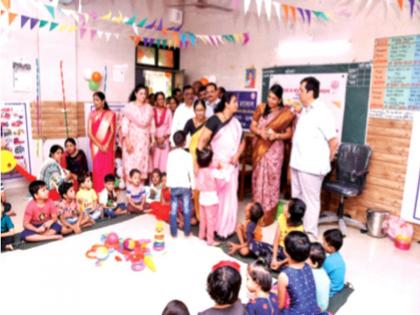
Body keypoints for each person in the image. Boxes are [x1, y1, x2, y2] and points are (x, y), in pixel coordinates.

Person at [290, 77, 338, 240]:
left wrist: (326, 161)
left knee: (310, 201)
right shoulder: (305, 110)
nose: (298, 93)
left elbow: (333, 141)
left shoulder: (322, 112)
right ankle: (296, 230)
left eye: (301, 90)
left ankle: (309, 235)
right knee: (297, 199)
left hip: (311, 166)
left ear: (310, 92)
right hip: (298, 163)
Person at [198, 93, 245, 239]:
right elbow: (201, 143)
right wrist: (207, 163)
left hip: (232, 166)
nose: (237, 105)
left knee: (230, 197)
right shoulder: (214, 120)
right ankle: (214, 227)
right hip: (217, 166)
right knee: (215, 198)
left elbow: (243, 142)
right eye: (234, 102)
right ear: (226, 104)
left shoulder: (236, 123)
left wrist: (237, 155)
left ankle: (226, 228)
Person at [250, 84, 295, 225]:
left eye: (274, 99)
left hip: (274, 151)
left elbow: (289, 133)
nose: (270, 101)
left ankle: (268, 216)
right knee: (258, 180)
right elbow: (252, 125)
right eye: (269, 97)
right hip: (259, 149)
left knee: (272, 182)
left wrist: (276, 135)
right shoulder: (261, 108)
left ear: (280, 100)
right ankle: (256, 212)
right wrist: (259, 132)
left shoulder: (285, 114)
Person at [277, 231, 320, 315]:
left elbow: (280, 305)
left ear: (285, 251)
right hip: (315, 311)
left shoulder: (284, 275)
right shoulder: (308, 266)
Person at [122, 84, 155, 181]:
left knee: (142, 163)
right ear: (136, 94)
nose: (143, 96)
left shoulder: (149, 108)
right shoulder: (129, 107)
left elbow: (152, 124)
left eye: (145, 94)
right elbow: (125, 125)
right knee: (131, 162)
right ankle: (131, 188)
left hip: (144, 141)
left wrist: (152, 139)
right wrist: (127, 141)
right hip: (132, 140)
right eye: (141, 93)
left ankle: (140, 188)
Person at [167, 131, 195, 237]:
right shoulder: (188, 155)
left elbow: (169, 171)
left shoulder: (170, 155)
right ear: (184, 143)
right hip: (185, 186)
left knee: (173, 209)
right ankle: (187, 232)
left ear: (174, 142)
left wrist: (169, 185)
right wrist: (193, 187)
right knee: (186, 209)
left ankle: (173, 233)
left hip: (174, 185)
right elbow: (190, 173)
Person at [196, 148, 225, 246]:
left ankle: (201, 235)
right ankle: (210, 240)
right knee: (211, 220)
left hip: (202, 199)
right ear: (210, 162)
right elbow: (223, 176)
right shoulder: (213, 172)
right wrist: (221, 168)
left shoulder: (200, 171)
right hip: (211, 200)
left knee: (203, 219)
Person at [184, 100, 207, 221]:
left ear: (205, 110)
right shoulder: (190, 122)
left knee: (202, 186)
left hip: (204, 157)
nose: (200, 113)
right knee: (193, 186)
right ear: (194, 111)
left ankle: (202, 214)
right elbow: (182, 136)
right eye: (197, 110)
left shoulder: (209, 122)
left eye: (202, 110)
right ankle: (194, 213)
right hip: (192, 156)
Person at [88, 91, 116, 192]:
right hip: (96, 147)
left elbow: (112, 131)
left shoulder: (110, 114)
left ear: (103, 101)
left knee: (107, 169)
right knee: (98, 170)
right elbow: (90, 133)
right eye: (94, 100)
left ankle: (109, 192)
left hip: (107, 147)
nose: (95, 102)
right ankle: (98, 192)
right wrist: (100, 146)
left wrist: (107, 144)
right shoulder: (91, 114)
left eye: (97, 100)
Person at [271, 198, 306, 270]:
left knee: (295, 265)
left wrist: (280, 263)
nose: (284, 205)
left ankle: (281, 266)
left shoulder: (299, 230)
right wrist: (274, 258)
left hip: (290, 254)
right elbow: (276, 240)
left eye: (286, 205)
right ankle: (275, 263)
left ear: (289, 214)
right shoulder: (282, 217)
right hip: (278, 249)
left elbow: (295, 254)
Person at [152, 92, 173, 172]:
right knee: (155, 160)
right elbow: (150, 125)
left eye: (162, 99)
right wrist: (155, 137)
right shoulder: (152, 111)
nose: (161, 101)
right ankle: (154, 180)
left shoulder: (168, 111)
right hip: (154, 139)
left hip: (165, 139)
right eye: (159, 99)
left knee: (164, 160)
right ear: (156, 101)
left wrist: (164, 137)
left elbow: (171, 126)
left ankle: (163, 181)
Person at [322, 229, 346, 297]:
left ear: (331, 248)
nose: (322, 244)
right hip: (339, 286)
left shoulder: (328, 261)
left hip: (332, 290)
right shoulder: (337, 256)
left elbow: (319, 273)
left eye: (324, 243)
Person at [308, 242, 330, 312]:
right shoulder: (322, 270)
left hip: (316, 309)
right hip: (324, 306)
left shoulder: (309, 274)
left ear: (314, 264)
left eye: (305, 258)